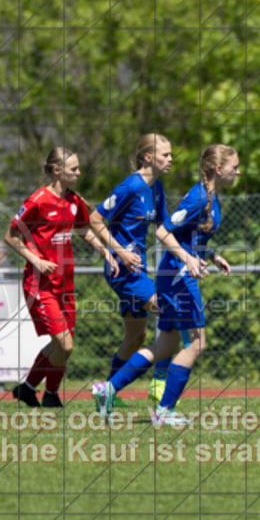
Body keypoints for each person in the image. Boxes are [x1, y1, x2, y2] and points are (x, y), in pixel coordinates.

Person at [92, 144, 240, 425]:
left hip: (176, 273)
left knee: (165, 345)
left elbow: (188, 238)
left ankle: (107, 389)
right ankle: (164, 411)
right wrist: (187, 258)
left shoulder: (209, 197)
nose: (239, 171)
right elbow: (163, 231)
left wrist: (211, 255)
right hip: (178, 277)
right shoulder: (198, 197)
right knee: (197, 344)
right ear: (219, 169)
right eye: (235, 167)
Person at [5, 147, 118, 409]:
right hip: (39, 285)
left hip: (65, 284)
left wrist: (103, 250)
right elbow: (10, 237)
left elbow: (82, 230)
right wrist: (36, 260)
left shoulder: (73, 200)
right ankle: (37, 389)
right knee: (64, 345)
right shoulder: (37, 201)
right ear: (57, 171)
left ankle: (42, 392)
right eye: (74, 169)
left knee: (64, 345)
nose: (79, 173)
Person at [88, 134, 176, 405]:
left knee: (136, 336)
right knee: (171, 312)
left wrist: (192, 252)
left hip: (139, 270)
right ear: (148, 157)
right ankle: (159, 381)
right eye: (165, 155)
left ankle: (108, 395)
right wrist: (120, 251)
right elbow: (95, 219)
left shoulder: (156, 187)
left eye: (171, 154)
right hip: (124, 272)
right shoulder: (129, 187)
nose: (171, 159)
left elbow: (164, 228)